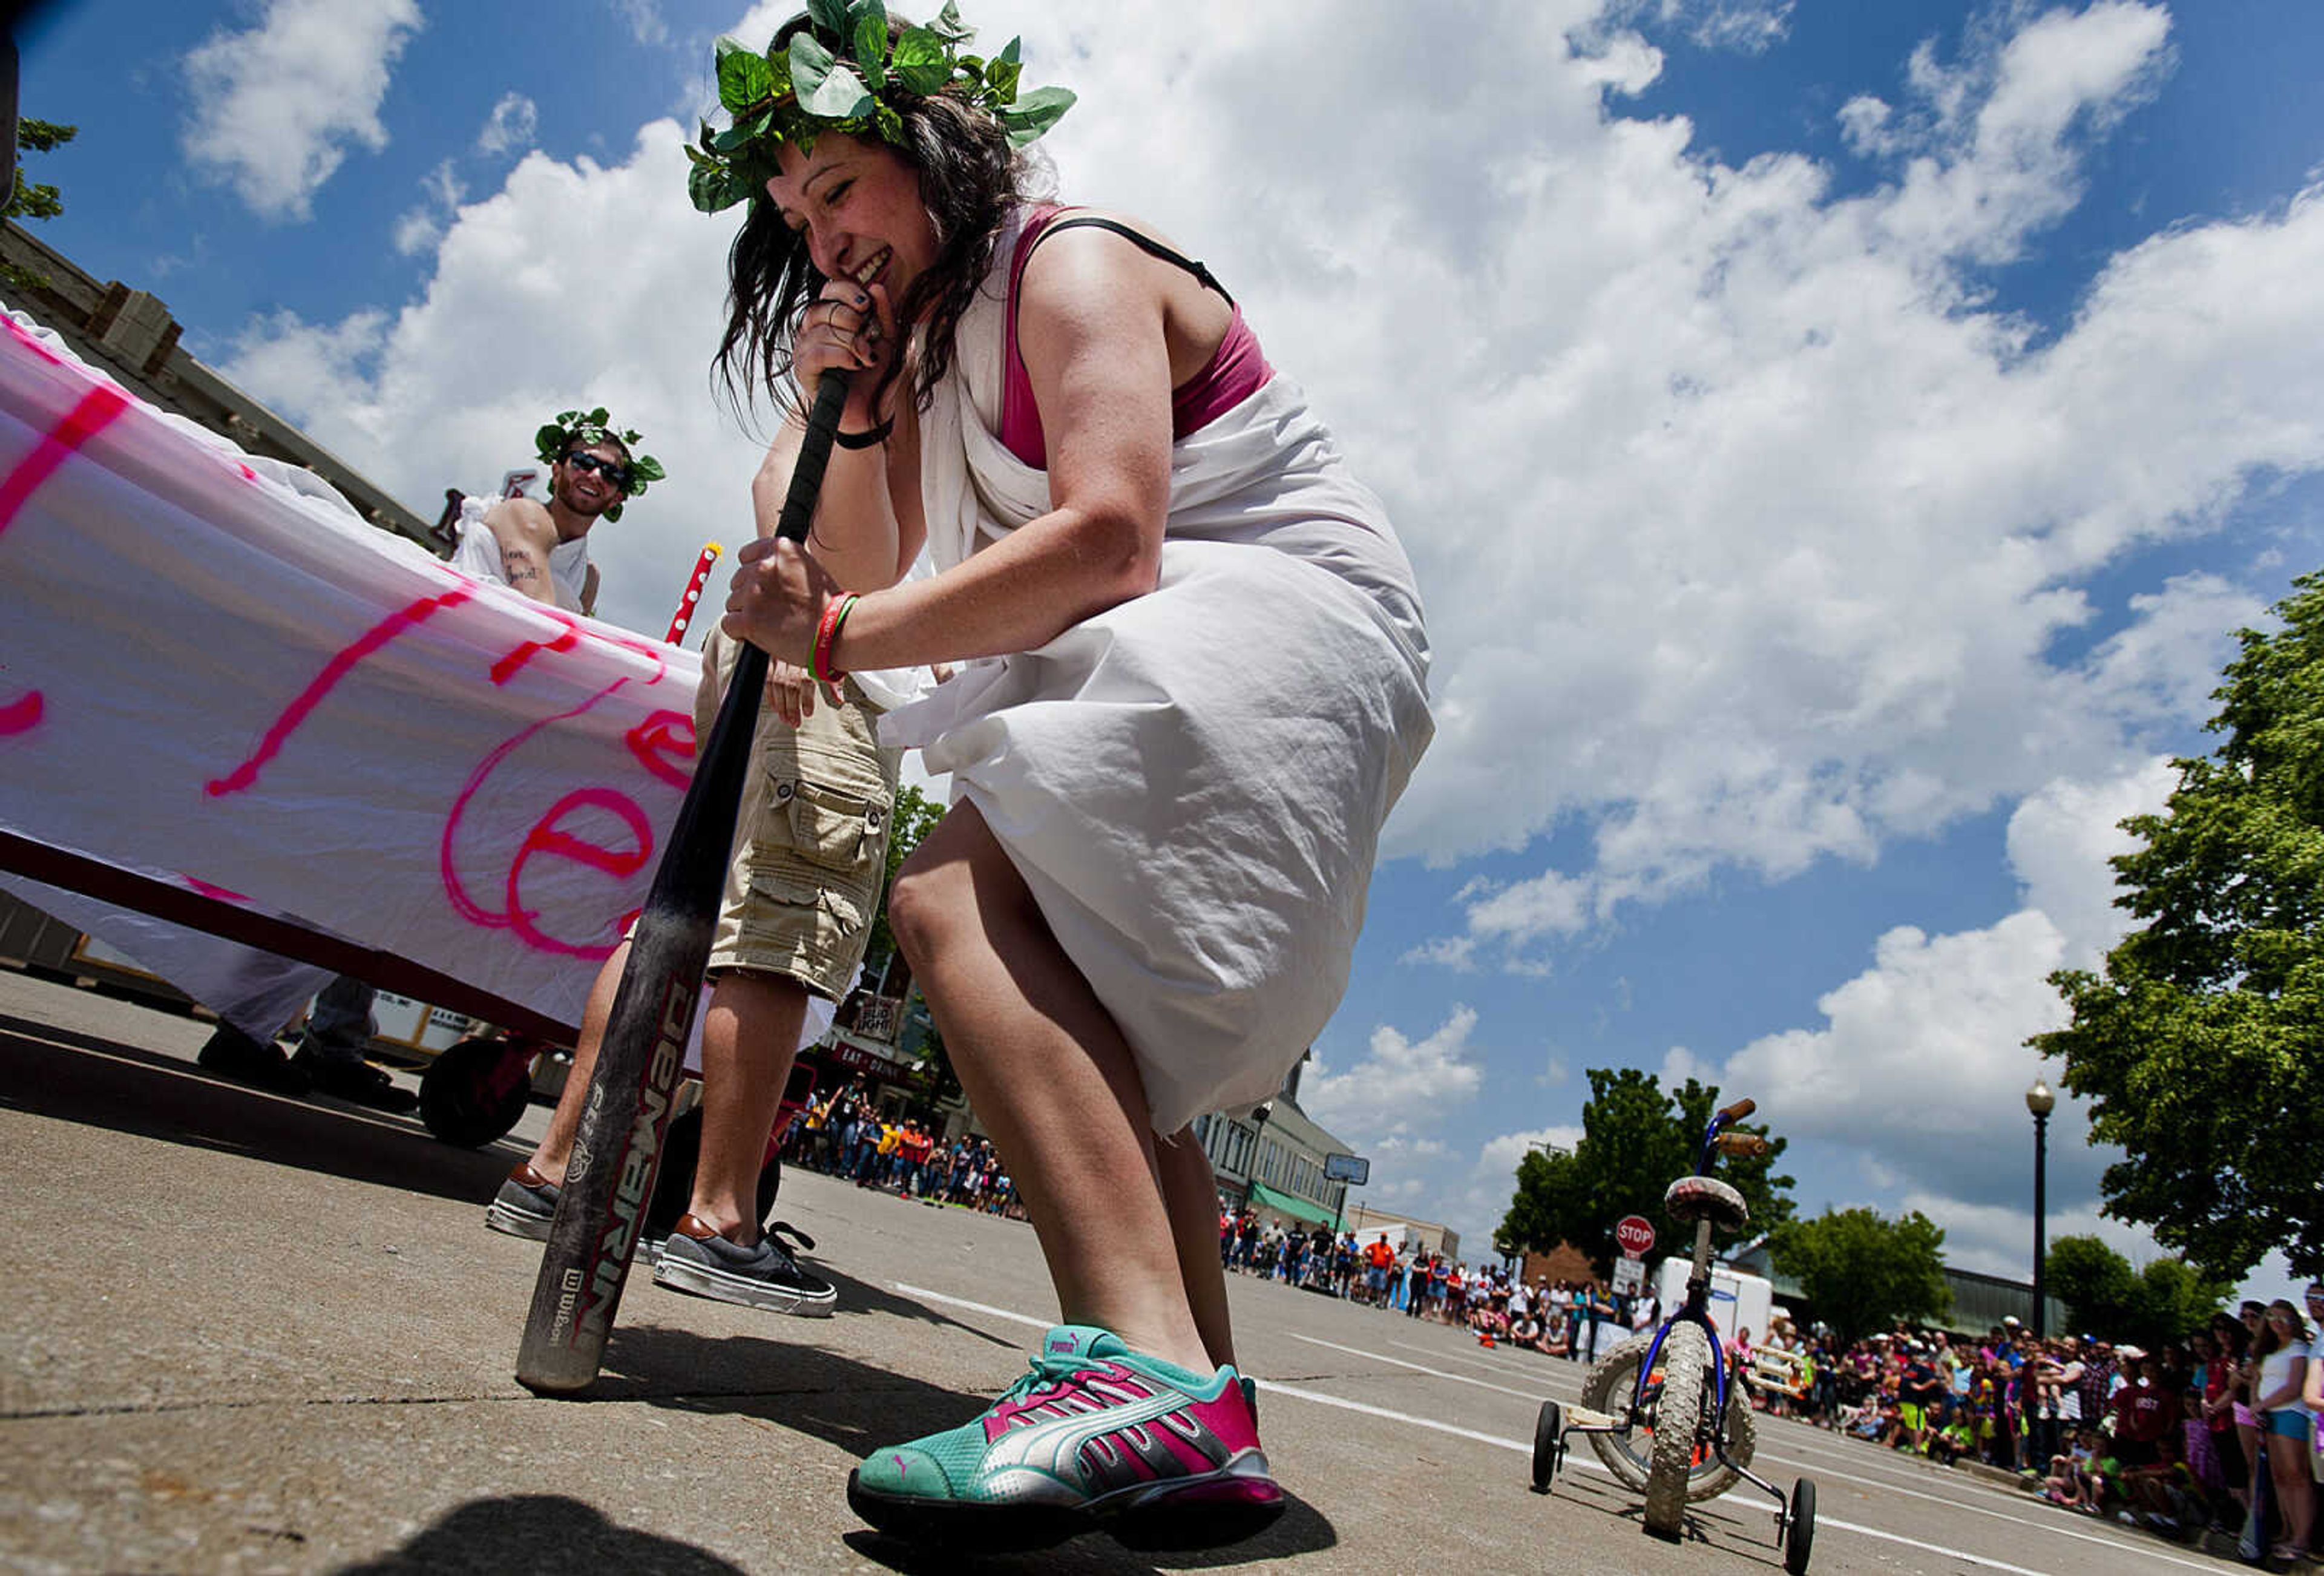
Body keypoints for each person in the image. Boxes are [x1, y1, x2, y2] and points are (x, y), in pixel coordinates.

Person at [701, 4, 1432, 1548]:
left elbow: (1108, 535)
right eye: (793, 218)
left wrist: (833, 632)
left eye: (840, 191)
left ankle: (1142, 1369)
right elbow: (868, 559)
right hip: (1183, 618)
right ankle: (1204, 1414)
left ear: (931, 148)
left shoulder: (1069, 255)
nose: (822, 238)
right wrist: (834, 397)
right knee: (1088, 1004)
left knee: (951, 897)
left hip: (1286, 609)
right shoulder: (928, 350)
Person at [484, 418, 909, 1321]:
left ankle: (561, 1169)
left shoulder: (869, 340)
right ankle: (720, 1221)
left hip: (795, 627)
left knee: (700, 909)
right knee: (780, 919)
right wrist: (814, 616)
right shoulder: (924, 337)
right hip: (829, 642)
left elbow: (782, 473)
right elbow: (791, 477)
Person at [2252, 1297, 2313, 1561]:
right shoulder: (2271, 1350)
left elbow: (2294, 1386)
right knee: (2280, 1477)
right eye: (2273, 1318)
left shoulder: (2299, 1348)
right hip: (2270, 1416)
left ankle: (2302, 1537)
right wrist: (2258, 1406)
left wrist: (2262, 1404)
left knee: (2296, 1476)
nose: (2278, 1323)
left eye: (2284, 1318)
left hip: (2290, 1413)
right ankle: (2288, 1530)